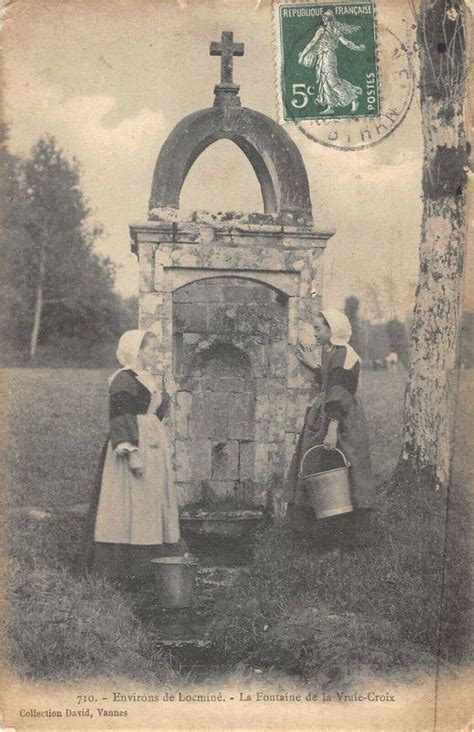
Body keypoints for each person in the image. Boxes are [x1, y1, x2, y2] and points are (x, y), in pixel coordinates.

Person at [79, 330, 181, 581]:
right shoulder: (123, 379)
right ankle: (122, 568)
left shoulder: (146, 378)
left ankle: (148, 566)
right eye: (152, 349)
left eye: (156, 349)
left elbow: (153, 416)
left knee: (148, 501)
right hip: (133, 447)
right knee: (127, 503)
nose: (156, 354)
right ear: (137, 351)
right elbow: (120, 417)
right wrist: (131, 451)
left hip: (152, 445)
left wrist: (169, 394)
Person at [284, 309, 376, 548]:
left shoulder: (346, 354)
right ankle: (315, 531)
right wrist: (313, 365)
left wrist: (332, 429)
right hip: (324, 413)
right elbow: (329, 380)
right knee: (316, 467)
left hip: (341, 417)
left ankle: (345, 536)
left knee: (342, 469)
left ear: (332, 330)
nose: (314, 332)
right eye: (314, 327)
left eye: (318, 328)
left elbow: (340, 391)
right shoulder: (331, 351)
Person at [298, 10, 366, 115]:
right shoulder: (335, 30)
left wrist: (302, 55)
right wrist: (357, 47)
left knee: (332, 81)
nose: (323, 20)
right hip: (323, 57)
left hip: (327, 57)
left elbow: (312, 43)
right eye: (323, 18)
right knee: (324, 81)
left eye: (325, 18)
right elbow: (346, 43)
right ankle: (330, 107)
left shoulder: (323, 30)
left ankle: (352, 98)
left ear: (329, 19)